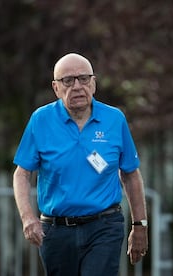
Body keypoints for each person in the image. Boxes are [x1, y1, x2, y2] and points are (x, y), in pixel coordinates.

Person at [13, 53, 148, 276]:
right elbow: (21, 174)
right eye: (68, 80)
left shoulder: (115, 119)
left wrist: (140, 224)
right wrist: (28, 218)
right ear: (56, 88)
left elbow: (131, 174)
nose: (77, 86)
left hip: (104, 226)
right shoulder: (41, 120)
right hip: (56, 231)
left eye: (83, 79)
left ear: (93, 83)